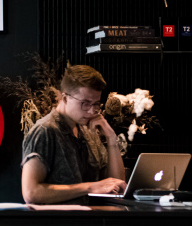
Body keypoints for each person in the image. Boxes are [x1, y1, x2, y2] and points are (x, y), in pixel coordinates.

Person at [21, 64, 126, 204]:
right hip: (59, 218)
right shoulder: (45, 131)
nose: (91, 111)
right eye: (85, 103)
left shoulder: (88, 130)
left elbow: (117, 185)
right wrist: (90, 187)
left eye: (96, 104)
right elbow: (31, 193)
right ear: (65, 98)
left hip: (93, 216)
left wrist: (111, 138)